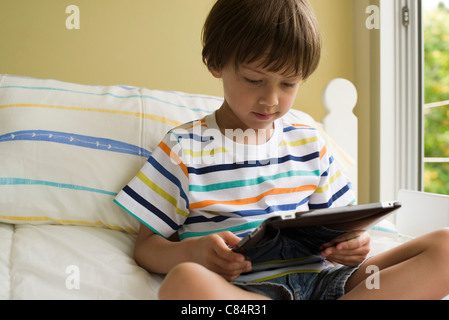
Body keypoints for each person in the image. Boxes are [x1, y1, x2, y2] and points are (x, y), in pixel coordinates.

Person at [114, 0, 449, 300]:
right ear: (215, 62)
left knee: (445, 246)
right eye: (253, 80)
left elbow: (346, 229)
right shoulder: (183, 149)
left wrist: (354, 246)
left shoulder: (310, 141)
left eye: (288, 84)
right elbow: (146, 248)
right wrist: (191, 254)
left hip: (327, 282)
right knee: (182, 284)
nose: (271, 99)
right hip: (248, 294)